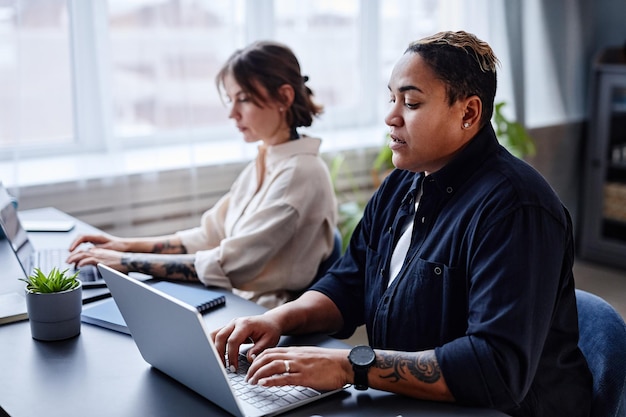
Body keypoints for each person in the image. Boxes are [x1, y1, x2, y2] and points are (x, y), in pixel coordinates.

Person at [211, 31, 593, 416]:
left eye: (411, 102)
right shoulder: (404, 182)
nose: (391, 116)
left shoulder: (516, 209)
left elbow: (494, 367)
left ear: (468, 113)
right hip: (407, 404)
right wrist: (277, 319)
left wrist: (349, 366)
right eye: (392, 98)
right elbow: (350, 281)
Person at [67, 41, 338, 308]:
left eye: (243, 99)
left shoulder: (300, 174)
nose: (232, 113)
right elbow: (210, 235)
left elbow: (230, 264)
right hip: (239, 303)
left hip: (264, 318)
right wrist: (124, 246)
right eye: (231, 100)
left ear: (284, 97)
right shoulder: (269, 159)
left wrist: (127, 262)